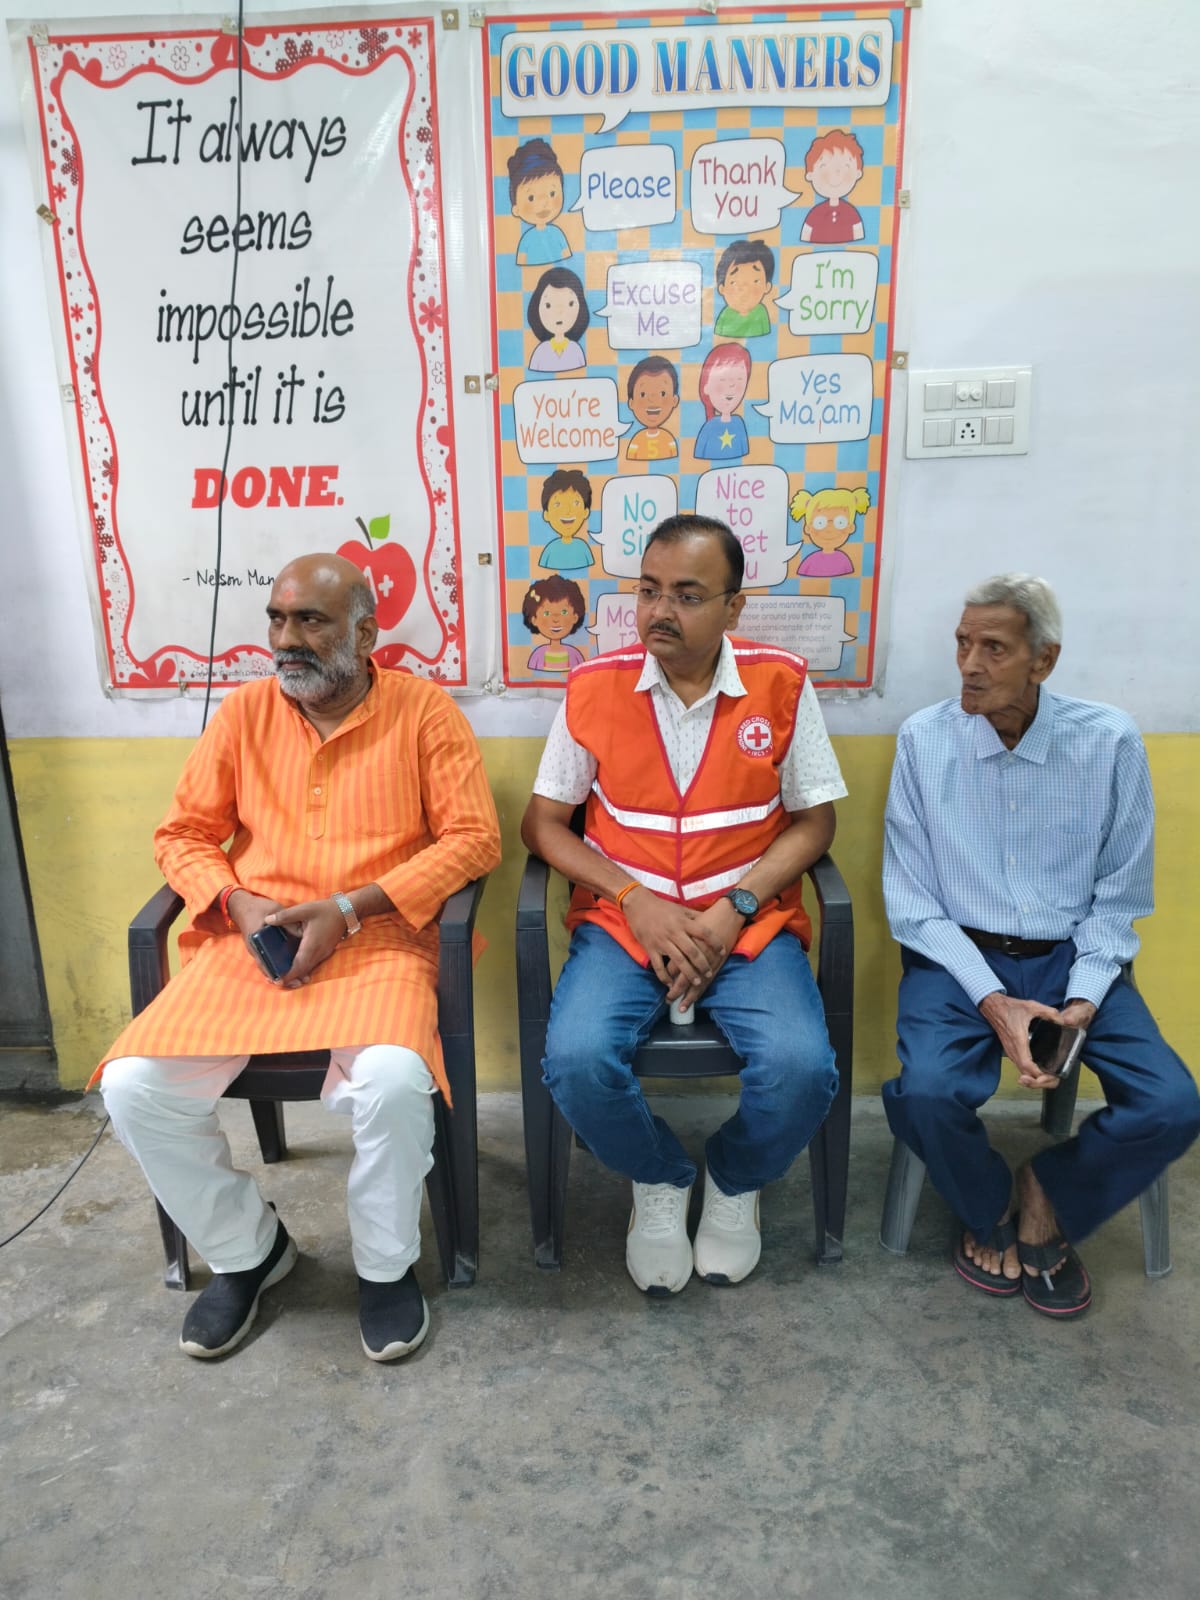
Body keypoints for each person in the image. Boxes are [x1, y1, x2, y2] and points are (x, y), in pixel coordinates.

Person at [96, 554, 501, 1361]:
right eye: (277, 620)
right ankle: (249, 1251)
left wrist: (351, 908)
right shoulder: (245, 712)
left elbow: (473, 840)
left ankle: (384, 1268)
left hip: (378, 942)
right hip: (256, 946)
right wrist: (237, 901)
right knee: (133, 1086)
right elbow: (183, 834)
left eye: (310, 621)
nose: (286, 639)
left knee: (392, 1082)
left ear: (364, 633)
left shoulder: (424, 711)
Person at [521, 515, 846, 1294]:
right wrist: (633, 898)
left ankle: (734, 1180)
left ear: (734, 608)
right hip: (624, 925)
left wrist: (737, 905)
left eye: (689, 596)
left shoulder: (781, 683)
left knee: (802, 1069)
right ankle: (660, 1176)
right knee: (575, 1061)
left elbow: (815, 823)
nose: (660, 611)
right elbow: (542, 825)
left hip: (747, 923)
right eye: (649, 590)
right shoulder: (595, 687)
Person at [882, 574, 1199, 1318]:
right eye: (963, 643)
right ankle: (989, 1202)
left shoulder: (1109, 741)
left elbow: (1119, 898)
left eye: (994, 648)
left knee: (1173, 1103)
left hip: (1074, 957)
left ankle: (1047, 1191)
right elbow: (914, 902)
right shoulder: (924, 740)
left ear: (1044, 660)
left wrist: (1082, 1000)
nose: (969, 665)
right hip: (956, 957)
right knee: (925, 1091)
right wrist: (993, 1000)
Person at [509, 138, 572, 267]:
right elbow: (520, 266)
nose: (544, 203)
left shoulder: (557, 235)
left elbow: (569, 260)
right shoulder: (527, 240)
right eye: (531, 198)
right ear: (516, 209)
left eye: (552, 193)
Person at [789, 485, 870, 577]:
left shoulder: (844, 561)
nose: (829, 529)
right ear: (808, 528)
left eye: (840, 522)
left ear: (850, 527)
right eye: (820, 523)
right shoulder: (810, 562)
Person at [800, 131, 866, 245]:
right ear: (810, 175)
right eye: (823, 166)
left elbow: (859, 237)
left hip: (848, 255)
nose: (836, 174)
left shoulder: (851, 213)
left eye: (846, 166)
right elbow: (805, 238)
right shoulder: (815, 213)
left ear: (858, 173)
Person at [694, 344, 752, 462]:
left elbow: (745, 454)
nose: (731, 385)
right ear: (706, 387)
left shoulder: (739, 424)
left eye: (740, 379)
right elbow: (699, 458)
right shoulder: (709, 427)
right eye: (722, 379)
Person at [527, 267, 589, 375]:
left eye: (570, 304)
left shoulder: (576, 350)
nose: (559, 312)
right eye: (548, 305)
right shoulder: (540, 352)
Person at [522, 574, 588, 673]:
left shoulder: (575, 655)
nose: (555, 619)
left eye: (564, 612)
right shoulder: (537, 656)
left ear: (575, 617)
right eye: (546, 613)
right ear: (534, 619)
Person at [713, 240, 775, 338]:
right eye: (734, 282)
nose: (745, 290)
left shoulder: (761, 312)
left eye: (755, 281)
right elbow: (718, 337)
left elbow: (766, 337)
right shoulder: (726, 315)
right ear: (722, 288)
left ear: (767, 287)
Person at [625, 356, 680, 461]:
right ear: (631, 403)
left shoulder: (668, 439)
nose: (652, 400)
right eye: (643, 394)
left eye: (662, 393)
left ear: (674, 400)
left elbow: (674, 459)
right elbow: (631, 461)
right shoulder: (637, 440)